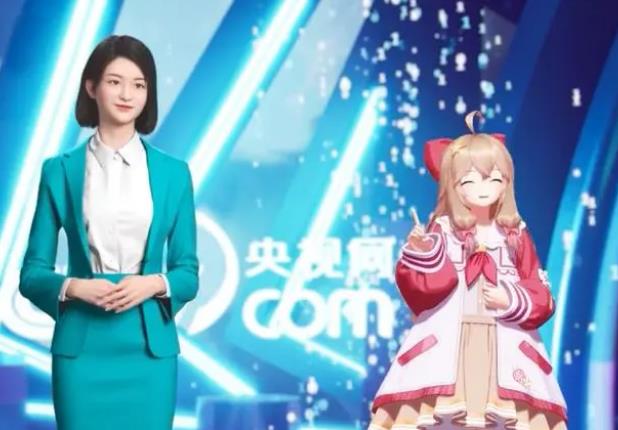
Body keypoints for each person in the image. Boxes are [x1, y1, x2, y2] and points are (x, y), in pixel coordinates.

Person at [18, 35, 199, 430]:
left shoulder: (174, 174)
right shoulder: (58, 171)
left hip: (149, 349)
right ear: (91, 87)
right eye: (115, 81)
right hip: (81, 348)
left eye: (139, 84)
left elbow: (188, 273)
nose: (127, 94)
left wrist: (153, 284)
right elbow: (31, 275)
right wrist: (75, 288)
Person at [369, 111, 567, 429]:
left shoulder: (514, 232)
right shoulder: (443, 227)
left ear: (506, 182)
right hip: (448, 337)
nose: (483, 188)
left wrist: (509, 298)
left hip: (506, 340)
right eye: (469, 180)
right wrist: (424, 251)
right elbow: (425, 290)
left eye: (494, 178)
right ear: (453, 185)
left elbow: (540, 291)